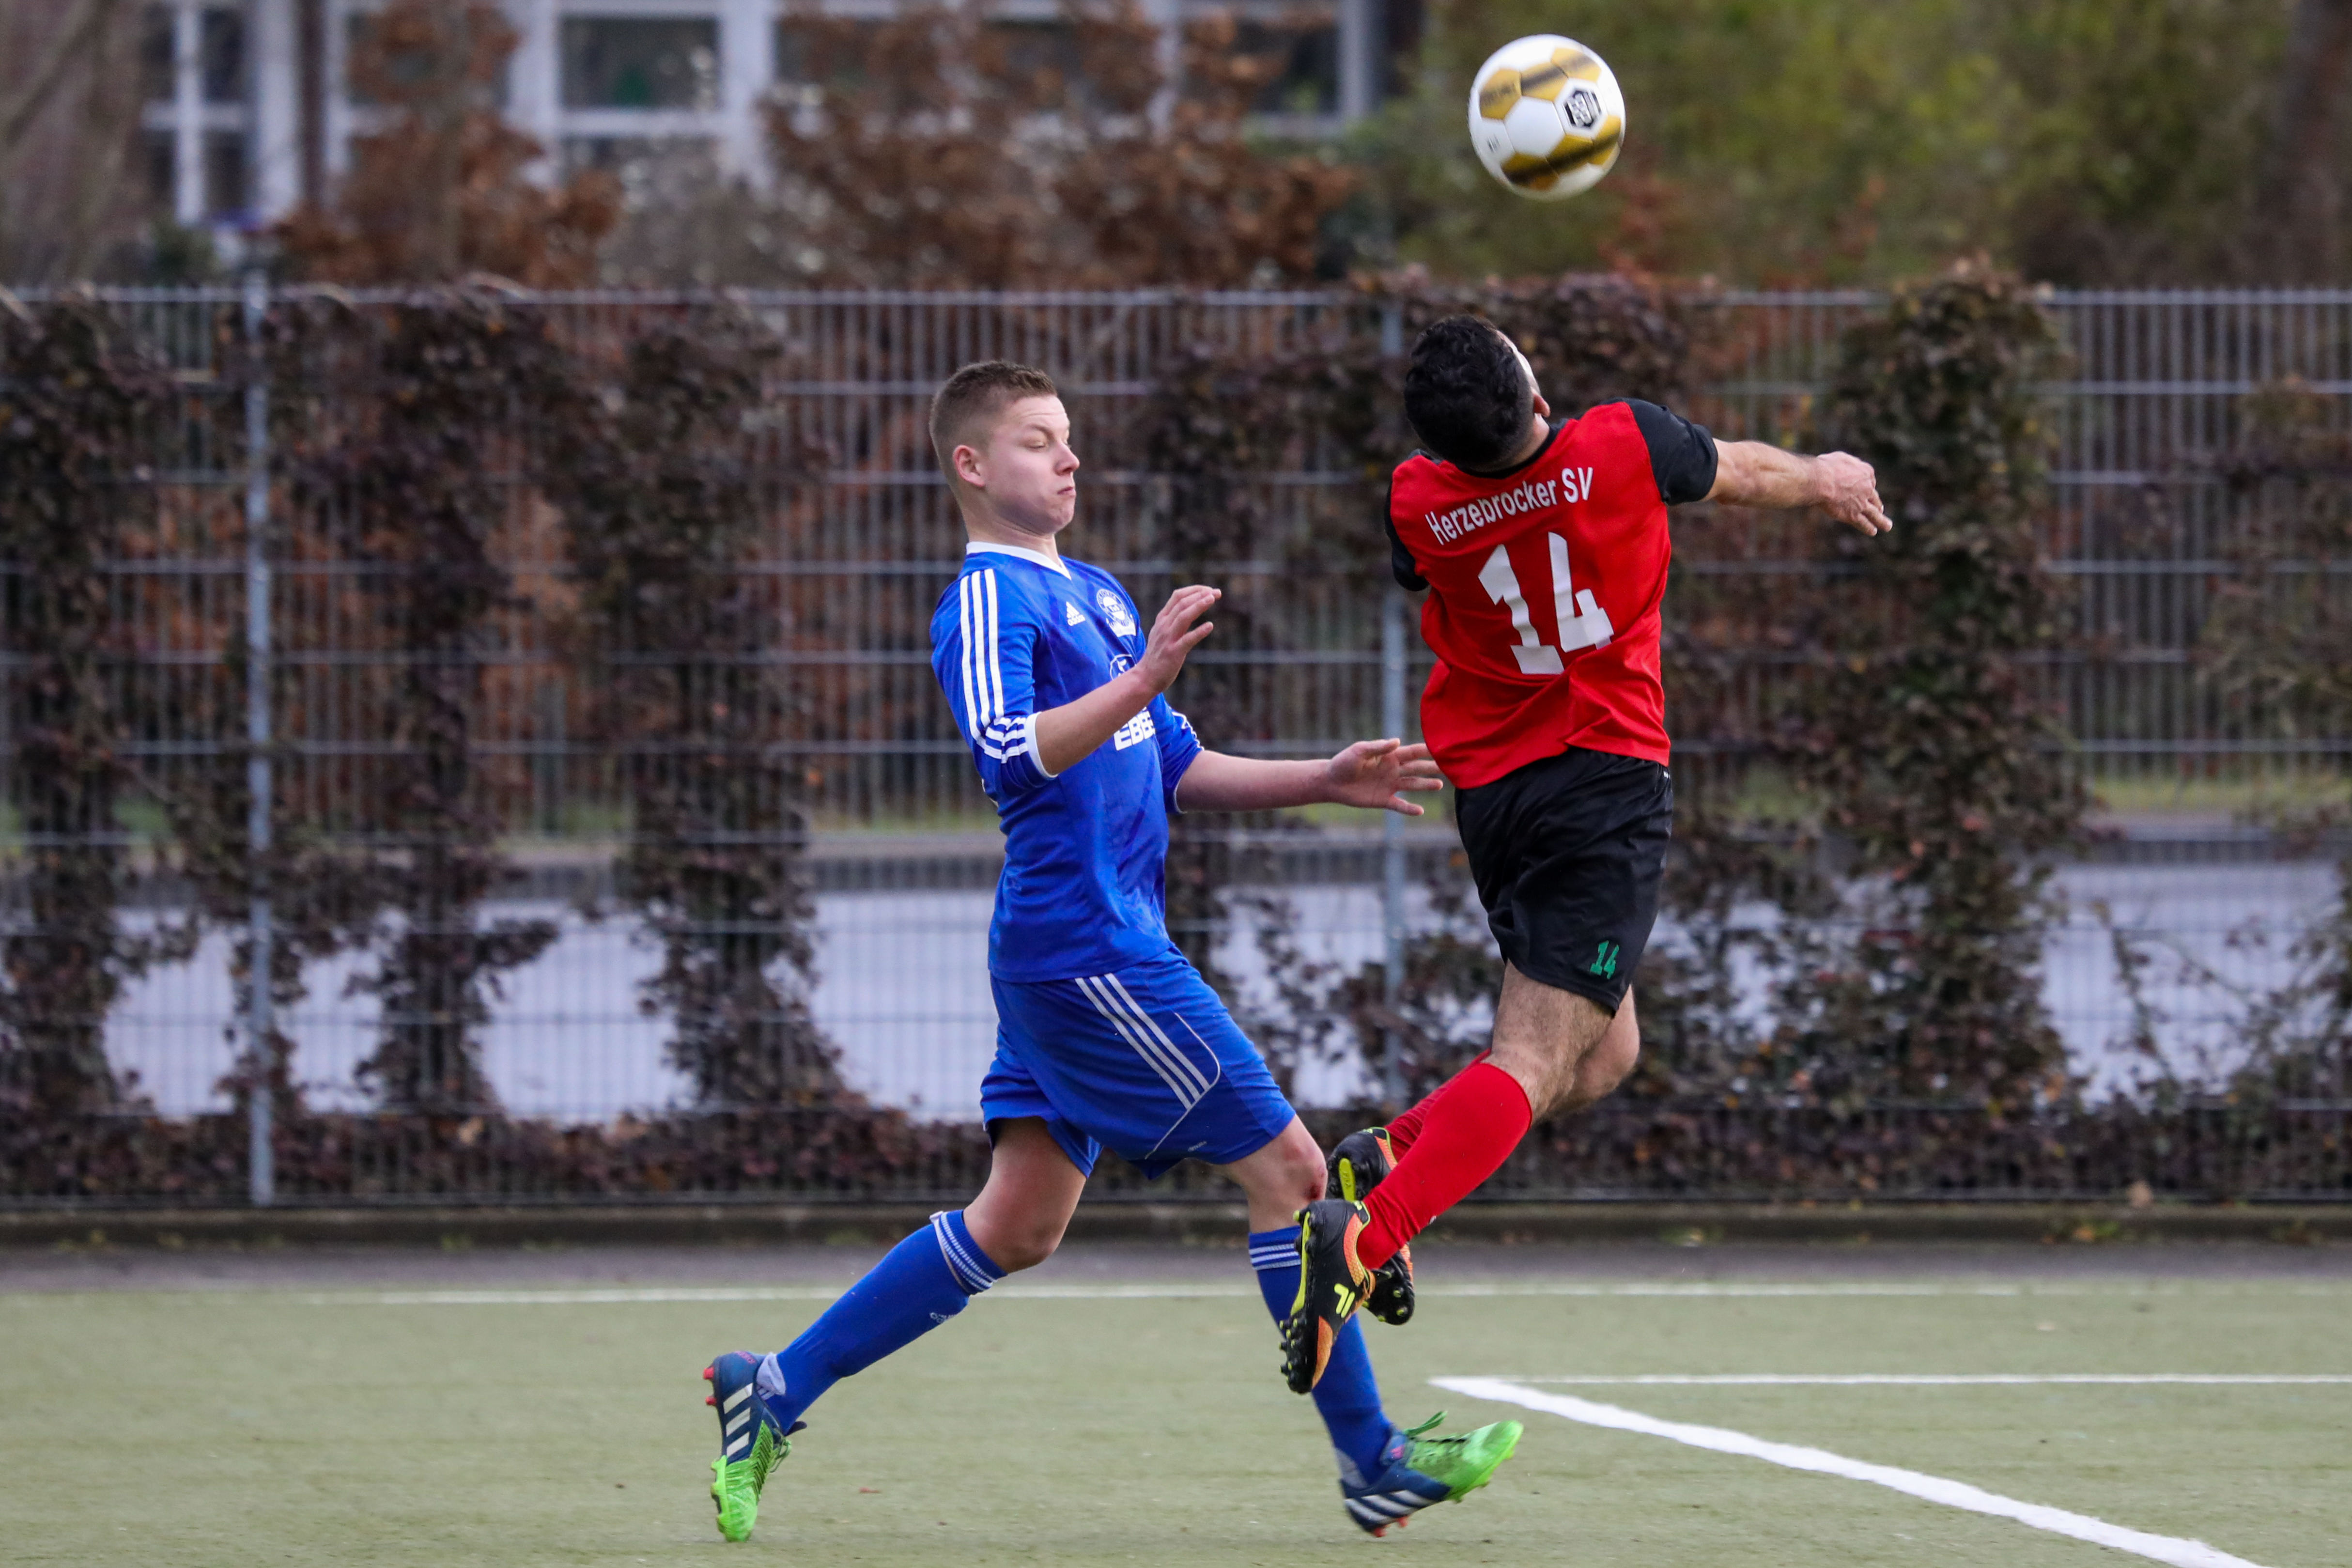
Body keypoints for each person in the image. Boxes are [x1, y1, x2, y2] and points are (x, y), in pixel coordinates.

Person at [700, 359, 1523, 1542]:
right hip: (1089, 952)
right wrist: (1141, 675)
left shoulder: (1092, 589)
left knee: (1017, 1223)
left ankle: (772, 1386)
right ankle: (1373, 1459)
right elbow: (1009, 749)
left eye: (1069, 437)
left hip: (1077, 949)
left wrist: (1323, 778)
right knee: (1295, 1175)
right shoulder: (986, 600)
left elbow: (1173, 762)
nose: (1069, 457)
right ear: (971, 464)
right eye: (1038, 439)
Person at [1283, 316, 1893, 1393]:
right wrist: (1826, 476)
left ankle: (1388, 1154)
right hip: (1602, 783)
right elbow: (1746, 473)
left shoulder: (1415, 500)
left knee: (1603, 1056)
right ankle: (1368, 1233)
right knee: (1530, 1058)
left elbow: (1438, 553)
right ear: (1534, 395)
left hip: (1495, 796)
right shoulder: (1621, 443)